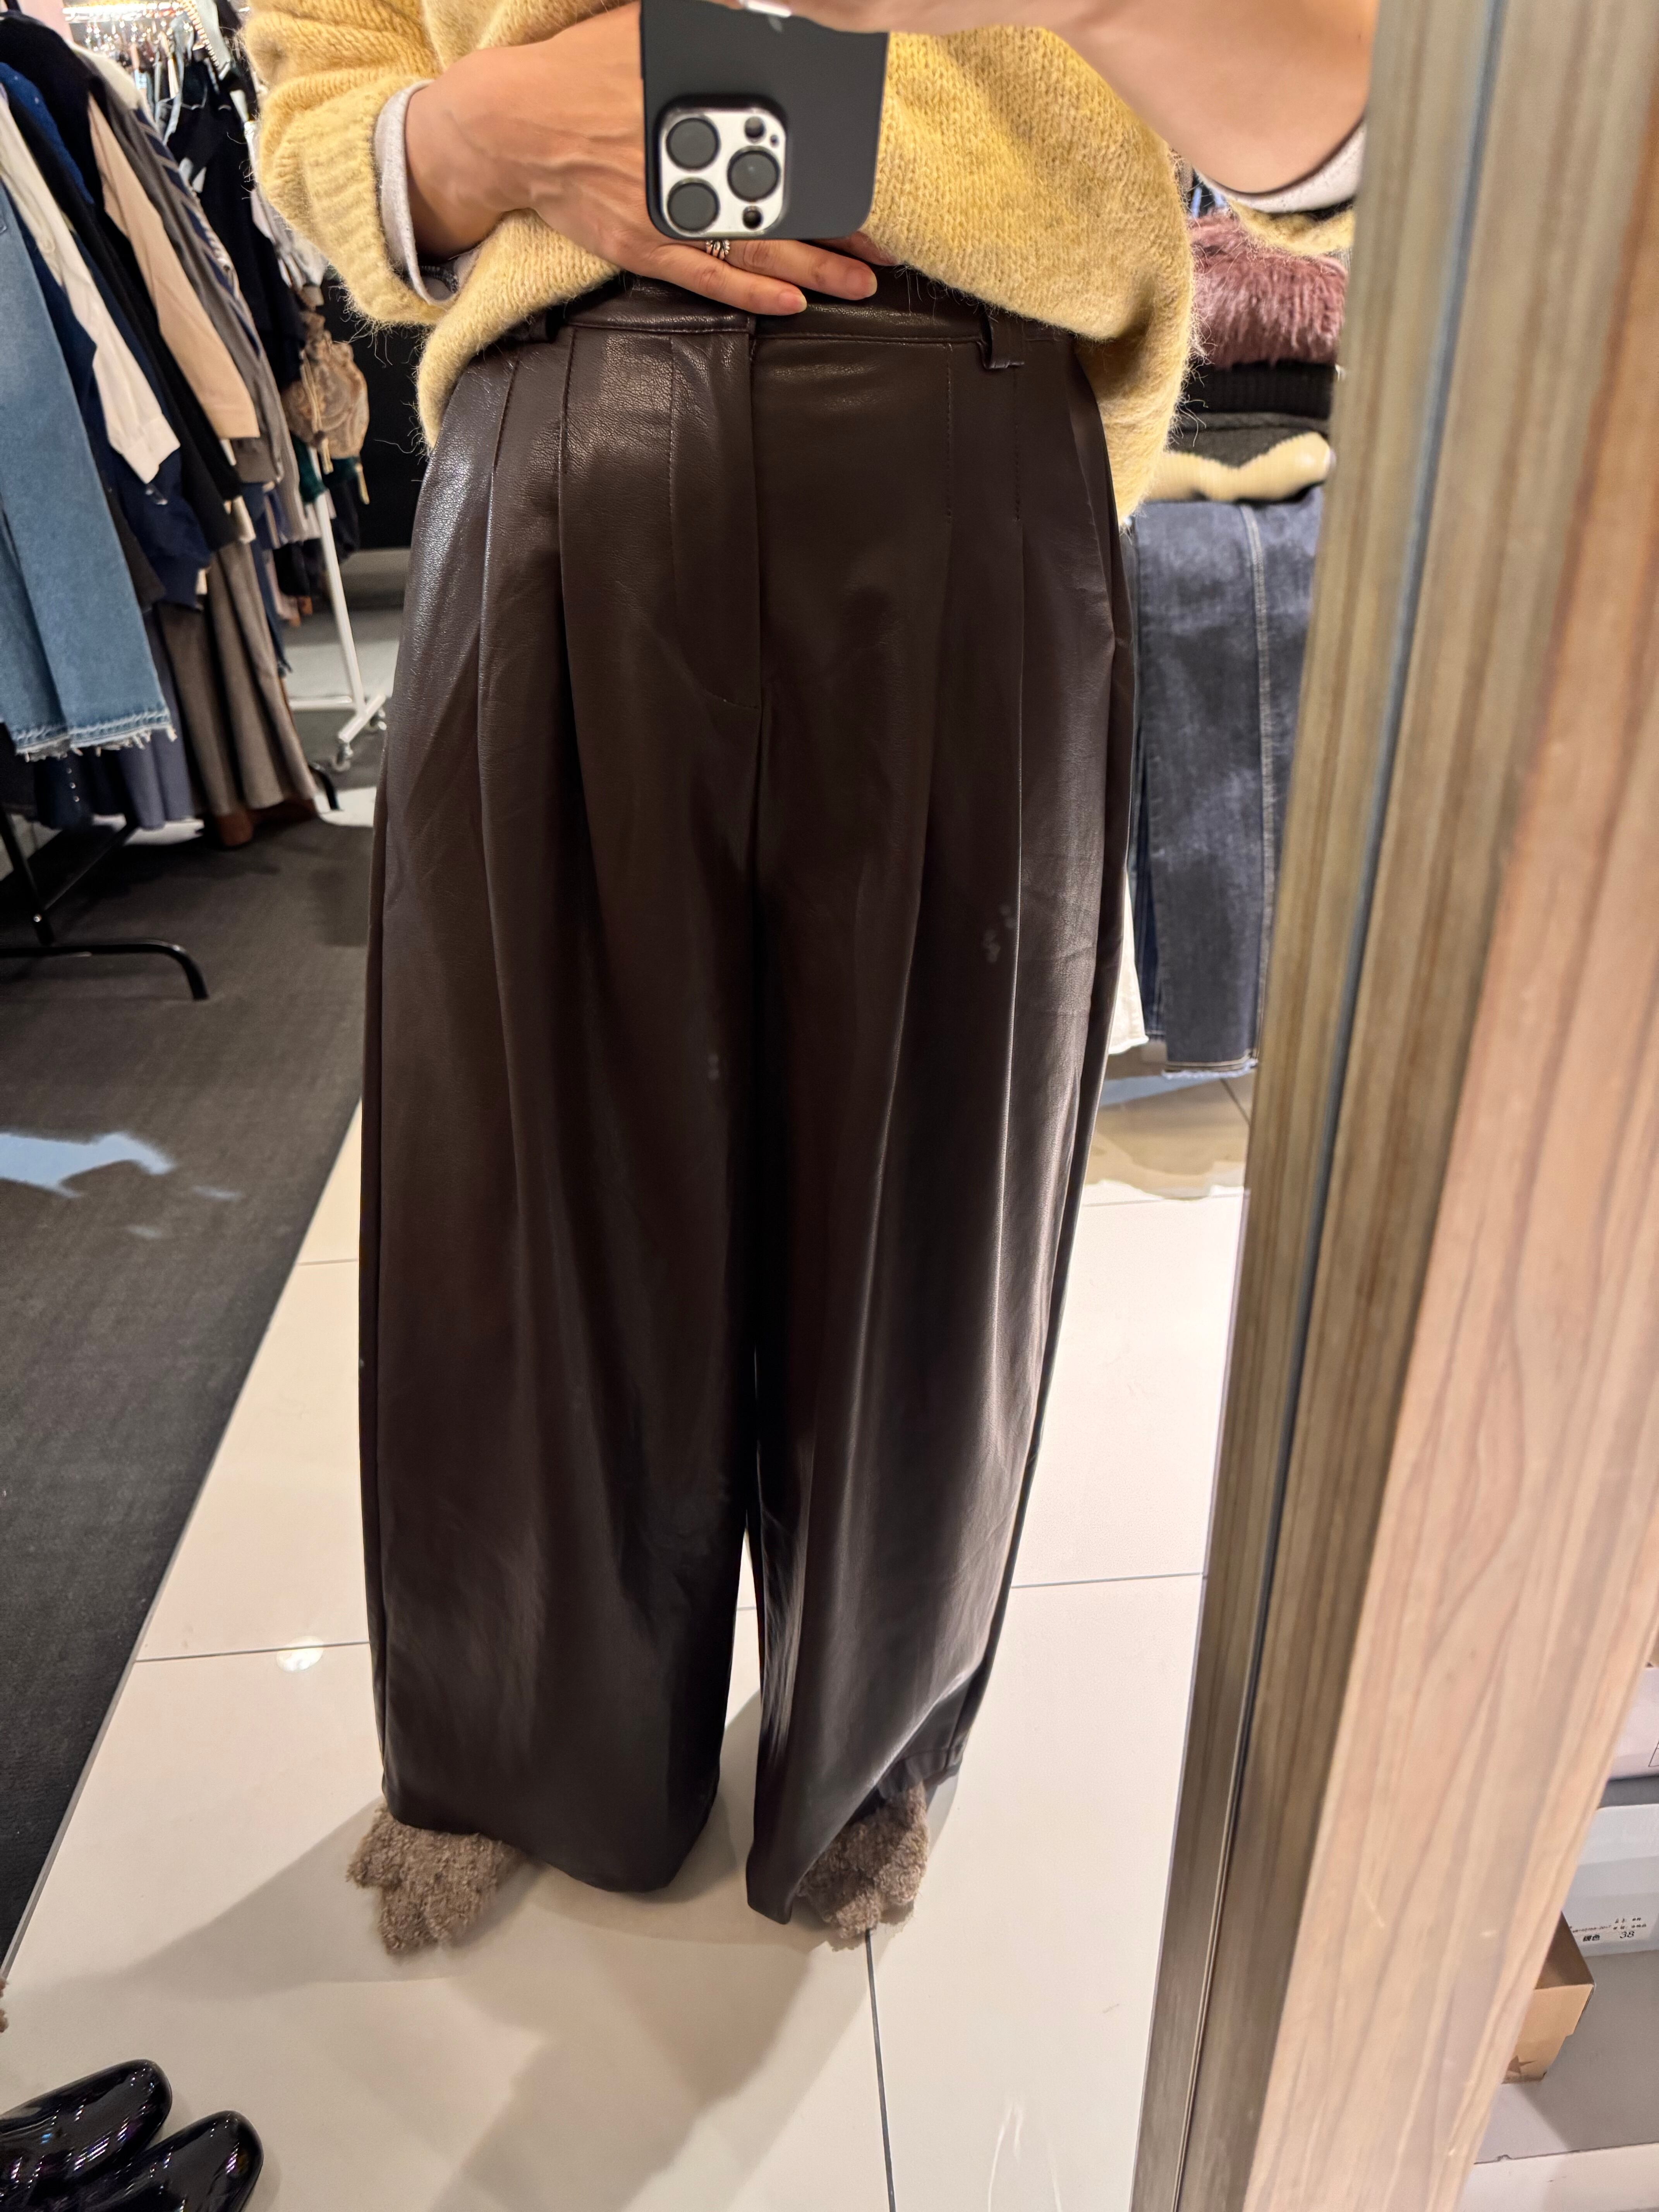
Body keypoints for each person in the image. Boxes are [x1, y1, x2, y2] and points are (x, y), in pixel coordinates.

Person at [246, 0, 1374, 1950]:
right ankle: (527, 1732)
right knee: (524, 1182)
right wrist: (471, 132)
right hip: (558, 426)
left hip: (974, 409)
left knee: (930, 1198)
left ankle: (871, 1743)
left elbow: (1369, 129)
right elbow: (320, 97)